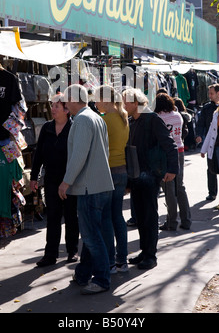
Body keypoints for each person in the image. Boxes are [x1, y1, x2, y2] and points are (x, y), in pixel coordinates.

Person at [58, 84, 114, 295]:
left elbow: (78, 155)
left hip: (90, 187)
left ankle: (101, 279)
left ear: (73, 99)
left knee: (91, 236)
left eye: (65, 100)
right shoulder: (95, 116)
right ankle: (84, 274)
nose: (64, 104)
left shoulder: (82, 119)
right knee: (93, 234)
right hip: (99, 185)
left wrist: (66, 181)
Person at [122, 88, 179, 270]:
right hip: (137, 176)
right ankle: (144, 251)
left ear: (134, 103)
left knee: (149, 216)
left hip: (151, 176)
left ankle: (150, 255)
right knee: (140, 215)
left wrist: (172, 169)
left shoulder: (152, 119)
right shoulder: (133, 121)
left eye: (125, 102)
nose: (123, 106)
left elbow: (170, 144)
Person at [30, 93, 79, 267]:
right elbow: (38, 154)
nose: (53, 109)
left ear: (67, 109)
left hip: (70, 180)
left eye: (56, 106)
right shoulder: (47, 128)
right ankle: (50, 254)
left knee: (72, 217)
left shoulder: (74, 128)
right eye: (52, 105)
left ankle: (72, 251)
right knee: (52, 217)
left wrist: (70, 180)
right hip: (51, 179)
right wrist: (33, 177)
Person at [94, 85, 130, 274]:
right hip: (122, 171)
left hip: (107, 171)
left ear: (106, 100)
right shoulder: (123, 118)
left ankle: (110, 261)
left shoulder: (104, 119)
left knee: (106, 218)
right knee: (117, 216)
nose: (95, 102)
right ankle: (122, 260)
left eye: (97, 99)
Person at [154, 93, 191, 231]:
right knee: (180, 186)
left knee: (168, 187)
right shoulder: (178, 115)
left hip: (165, 153)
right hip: (179, 151)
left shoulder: (159, 118)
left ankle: (172, 221)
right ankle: (186, 219)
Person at [195, 83, 219, 201]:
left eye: (211, 93)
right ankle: (212, 193)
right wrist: (199, 135)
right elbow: (200, 123)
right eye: (209, 93)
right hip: (211, 142)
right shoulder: (206, 108)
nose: (209, 96)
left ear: (218, 93)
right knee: (211, 168)